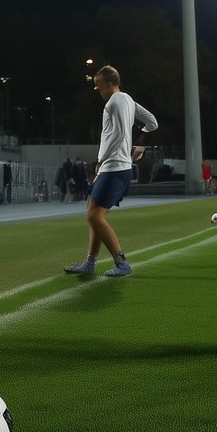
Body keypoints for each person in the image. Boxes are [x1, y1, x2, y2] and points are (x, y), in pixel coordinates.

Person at [61, 65, 157, 277]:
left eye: (99, 84)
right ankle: (90, 263)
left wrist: (101, 158)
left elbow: (120, 132)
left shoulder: (118, 99)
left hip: (114, 166)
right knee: (93, 214)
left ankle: (121, 263)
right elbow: (152, 122)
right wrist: (139, 142)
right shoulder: (127, 100)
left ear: (111, 82)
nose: (96, 89)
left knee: (94, 217)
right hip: (113, 166)